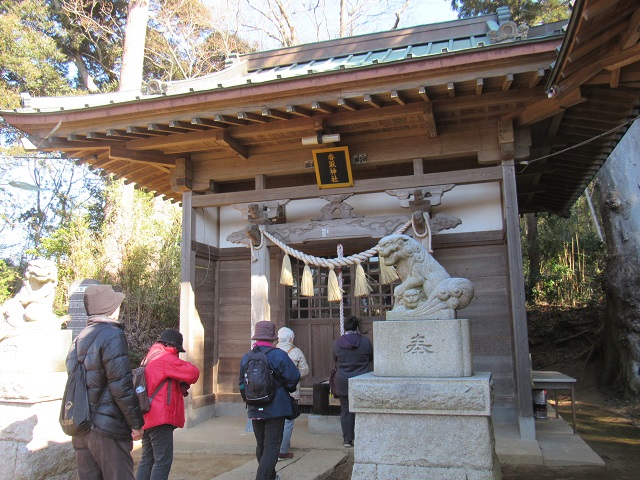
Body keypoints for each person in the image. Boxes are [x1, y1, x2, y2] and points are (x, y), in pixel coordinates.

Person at [66, 284, 145, 480]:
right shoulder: (111, 334)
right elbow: (121, 385)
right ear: (111, 309)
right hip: (107, 428)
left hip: (82, 425)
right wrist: (135, 423)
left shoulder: (79, 338)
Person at [135, 329, 200, 480]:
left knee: (147, 459)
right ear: (173, 346)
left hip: (147, 415)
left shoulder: (149, 356)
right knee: (163, 461)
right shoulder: (165, 358)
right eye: (178, 350)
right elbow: (193, 372)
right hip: (160, 416)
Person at [239, 321, 300, 480]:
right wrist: (288, 389)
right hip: (276, 407)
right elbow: (293, 377)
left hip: (254, 406)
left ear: (256, 338)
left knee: (262, 445)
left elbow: (241, 384)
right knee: (272, 446)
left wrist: (250, 399)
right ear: (273, 339)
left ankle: (271, 477)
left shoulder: (247, 357)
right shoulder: (279, 355)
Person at [332, 315, 373, 448]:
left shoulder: (337, 342)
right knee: (363, 408)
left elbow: (335, 359)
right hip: (362, 379)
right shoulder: (365, 342)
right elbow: (371, 357)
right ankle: (364, 437)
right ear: (357, 327)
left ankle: (347, 440)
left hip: (343, 379)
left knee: (346, 410)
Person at [276, 326, 309, 460]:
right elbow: (305, 371)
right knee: (288, 421)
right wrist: (294, 376)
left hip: (275, 392)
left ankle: (275, 448)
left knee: (275, 420)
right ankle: (283, 450)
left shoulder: (273, 352)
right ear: (291, 338)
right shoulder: (296, 352)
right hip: (291, 391)